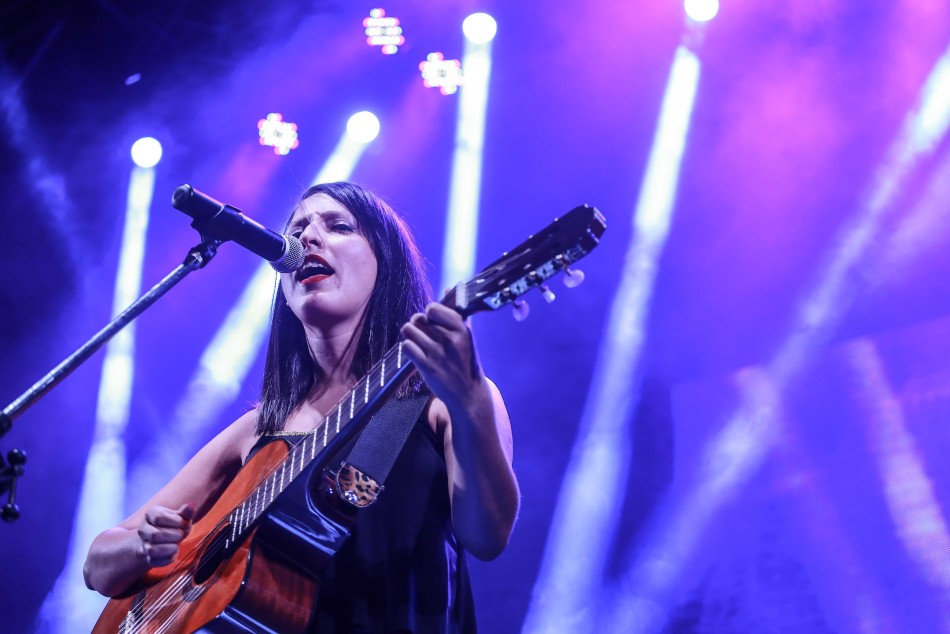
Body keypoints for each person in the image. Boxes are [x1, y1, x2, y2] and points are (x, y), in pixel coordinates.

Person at [83, 181, 520, 632]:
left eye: (338, 226)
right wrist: (144, 545)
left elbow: (487, 538)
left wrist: (470, 403)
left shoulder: (440, 402)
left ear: (384, 264)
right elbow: (99, 566)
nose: (307, 238)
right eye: (298, 229)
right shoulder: (259, 428)